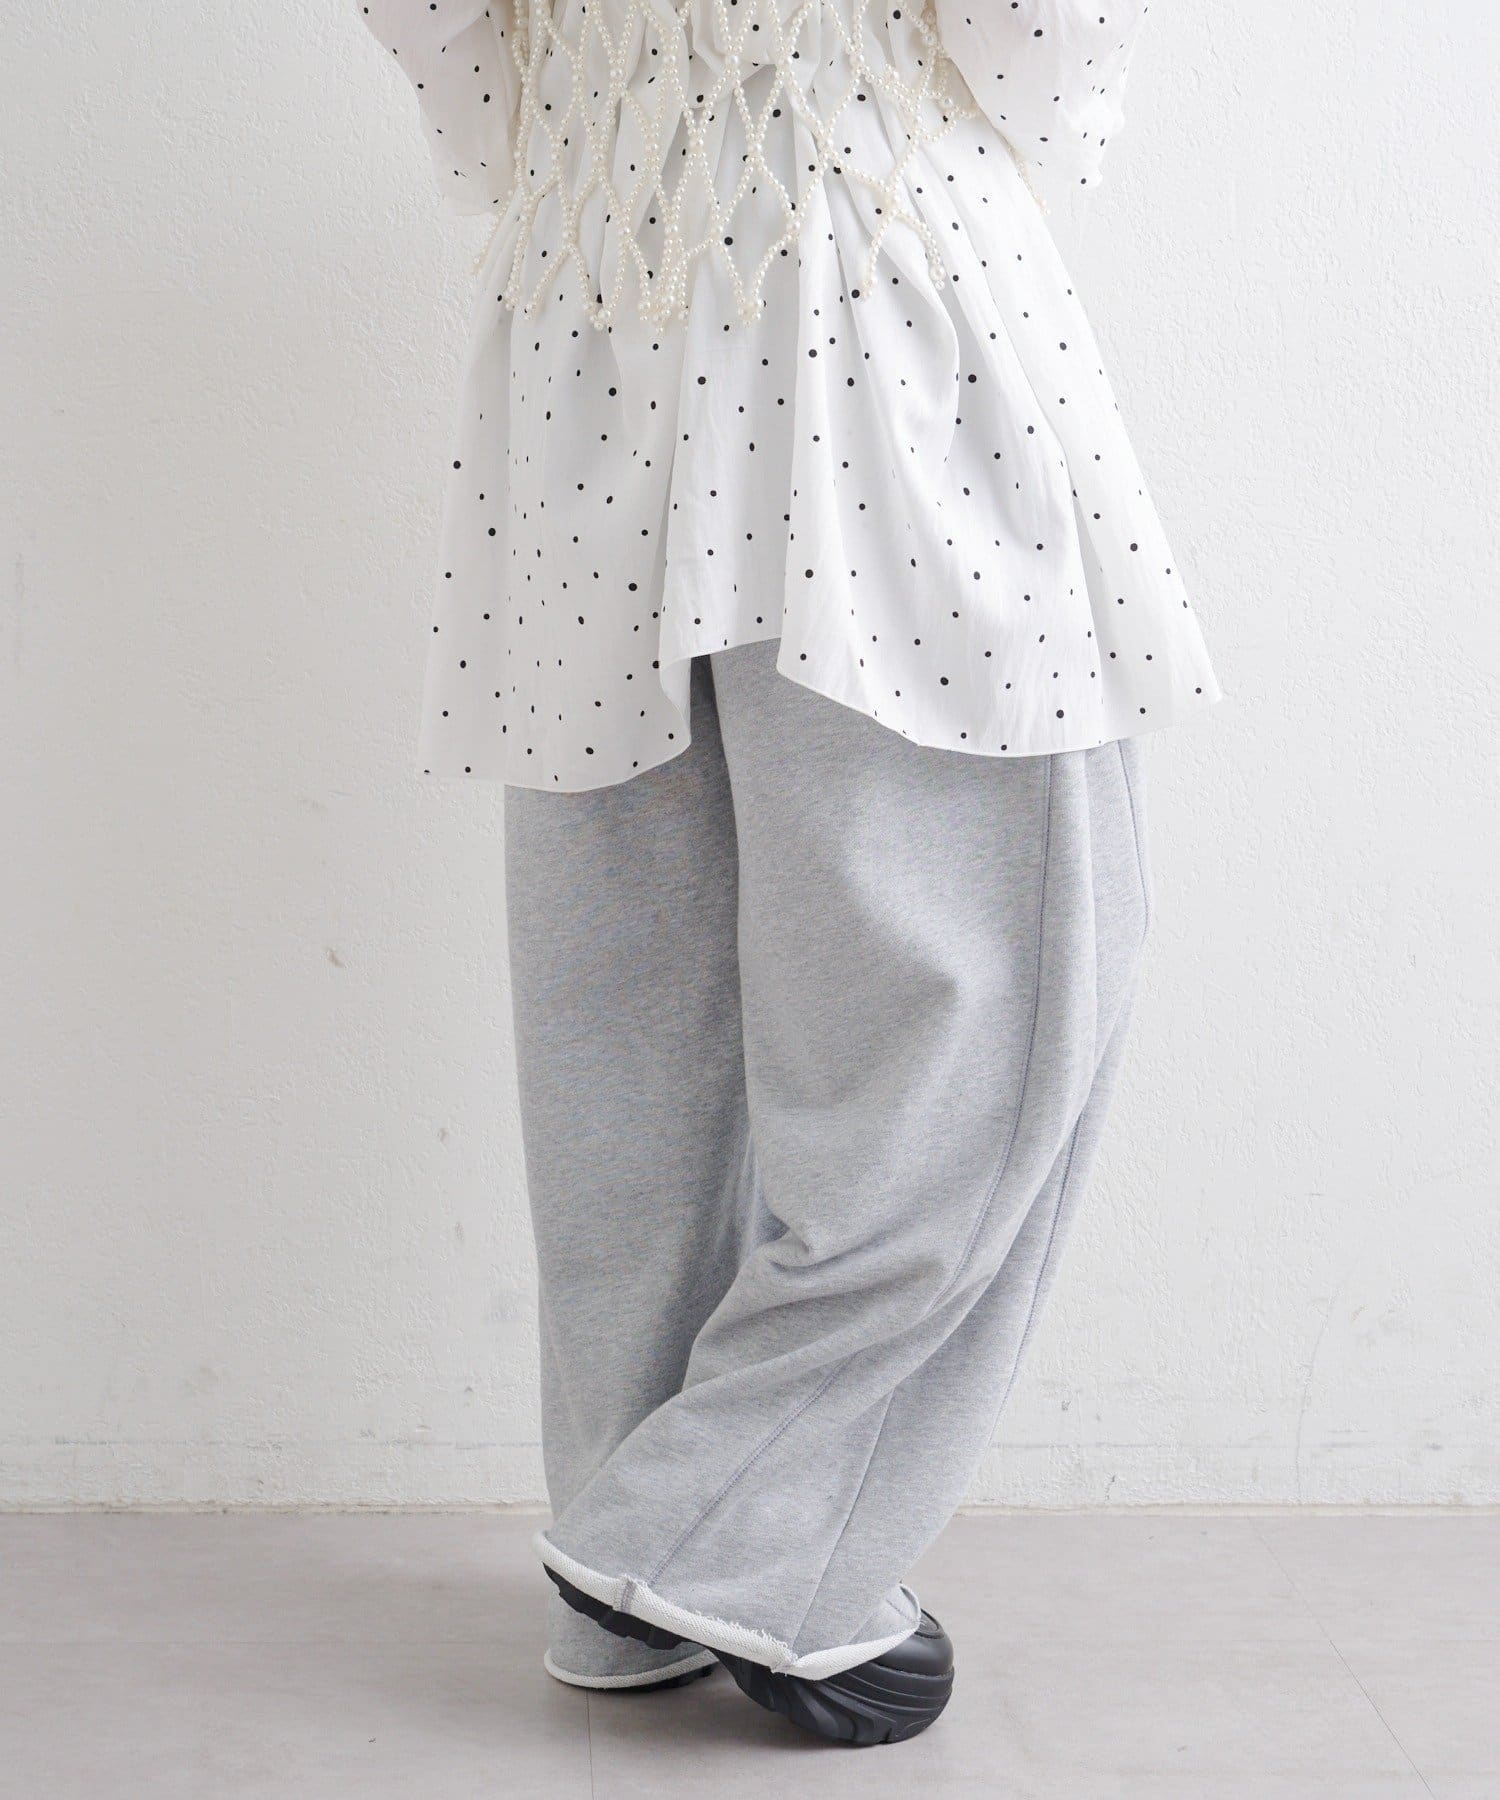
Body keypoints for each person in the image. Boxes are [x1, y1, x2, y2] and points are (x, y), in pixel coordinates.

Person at [358, 0, 1218, 1746]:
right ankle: (717, 1541)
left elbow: (448, 60)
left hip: (580, 319)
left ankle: (631, 1558)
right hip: (874, 296)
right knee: (987, 1004)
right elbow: (1041, 45)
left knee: (630, 1025)